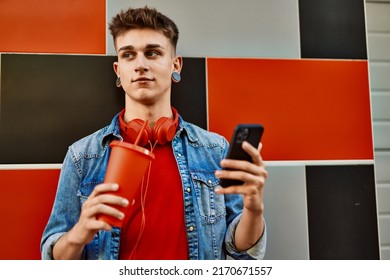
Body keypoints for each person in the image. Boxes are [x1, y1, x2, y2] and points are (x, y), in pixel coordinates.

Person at [40, 6, 268, 260]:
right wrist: (79, 233)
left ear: (175, 65)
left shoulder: (214, 150)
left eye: (152, 53)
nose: (140, 65)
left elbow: (241, 252)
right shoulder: (82, 156)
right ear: (118, 71)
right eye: (128, 55)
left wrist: (253, 208)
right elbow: (54, 261)